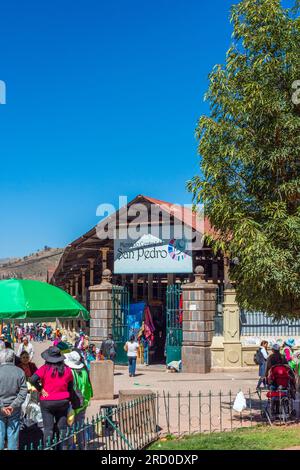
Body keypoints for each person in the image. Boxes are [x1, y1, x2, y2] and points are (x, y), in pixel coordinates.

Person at [30, 346, 74, 447]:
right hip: (63, 401)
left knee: (48, 429)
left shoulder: (45, 368)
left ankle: (48, 447)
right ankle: (62, 447)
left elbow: (32, 379)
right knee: (62, 428)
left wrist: (40, 389)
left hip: (47, 401)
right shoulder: (67, 370)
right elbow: (70, 387)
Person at [64, 351, 93, 449]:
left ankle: (72, 447)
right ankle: (82, 446)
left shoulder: (69, 372)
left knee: (70, 427)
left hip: (72, 403)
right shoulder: (84, 371)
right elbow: (88, 386)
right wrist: (87, 400)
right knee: (80, 426)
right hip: (83, 402)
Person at [0, 349, 28, 450]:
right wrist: (13, 405)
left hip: (1, 408)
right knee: (13, 433)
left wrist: (2, 407)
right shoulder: (20, 372)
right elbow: (23, 391)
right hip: (14, 408)